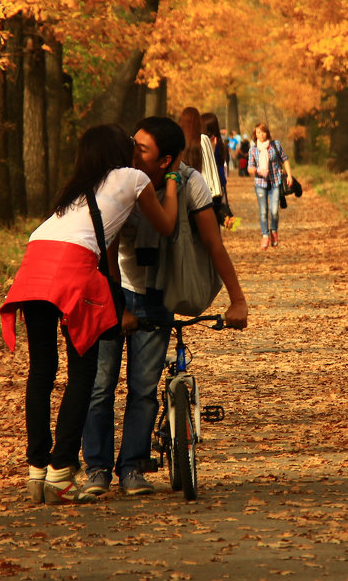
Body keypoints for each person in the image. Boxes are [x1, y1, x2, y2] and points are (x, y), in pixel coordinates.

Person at [0, 124, 179, 504]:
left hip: (35, 261)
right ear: (120, 151)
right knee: (83, 372)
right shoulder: (132, 178)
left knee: (42, 370)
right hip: (71, 267)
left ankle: (37, 471)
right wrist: (175, 180)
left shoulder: (76, 189)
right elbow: (165, 225)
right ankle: (61, 471)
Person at [81, 116, 249, 496]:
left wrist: (238, 300)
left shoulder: (191, 183)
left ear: (165, 159)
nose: (131, 151)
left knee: (143, 388)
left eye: (141, 148)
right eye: (132, 142)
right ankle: (96, 470)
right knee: (100, 385)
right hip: (116, 289)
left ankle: (132, 469)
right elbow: (106, 247)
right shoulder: (120, 180)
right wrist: (116, 303)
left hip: (158, 296)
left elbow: (213, 244)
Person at [249, 122, 293, 250]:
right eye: (258, 132)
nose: (260, 135)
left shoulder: (275, 145)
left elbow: (285, 159)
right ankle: (265, 236)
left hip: (275, 182)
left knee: (274, 211)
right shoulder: (253, 149)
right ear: (255, 135)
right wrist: (254, 170)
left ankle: (274, 231)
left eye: (263, 132)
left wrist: (289, 175)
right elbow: (250, 167)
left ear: (267, 133)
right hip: (260, 183)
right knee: (263, 212)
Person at [201, 111, 231, 226]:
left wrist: (212, 149)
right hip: (218, 183)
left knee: (214, 215)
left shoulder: (215, 142)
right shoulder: (212, 141)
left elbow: (216, 162)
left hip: (214, 183)